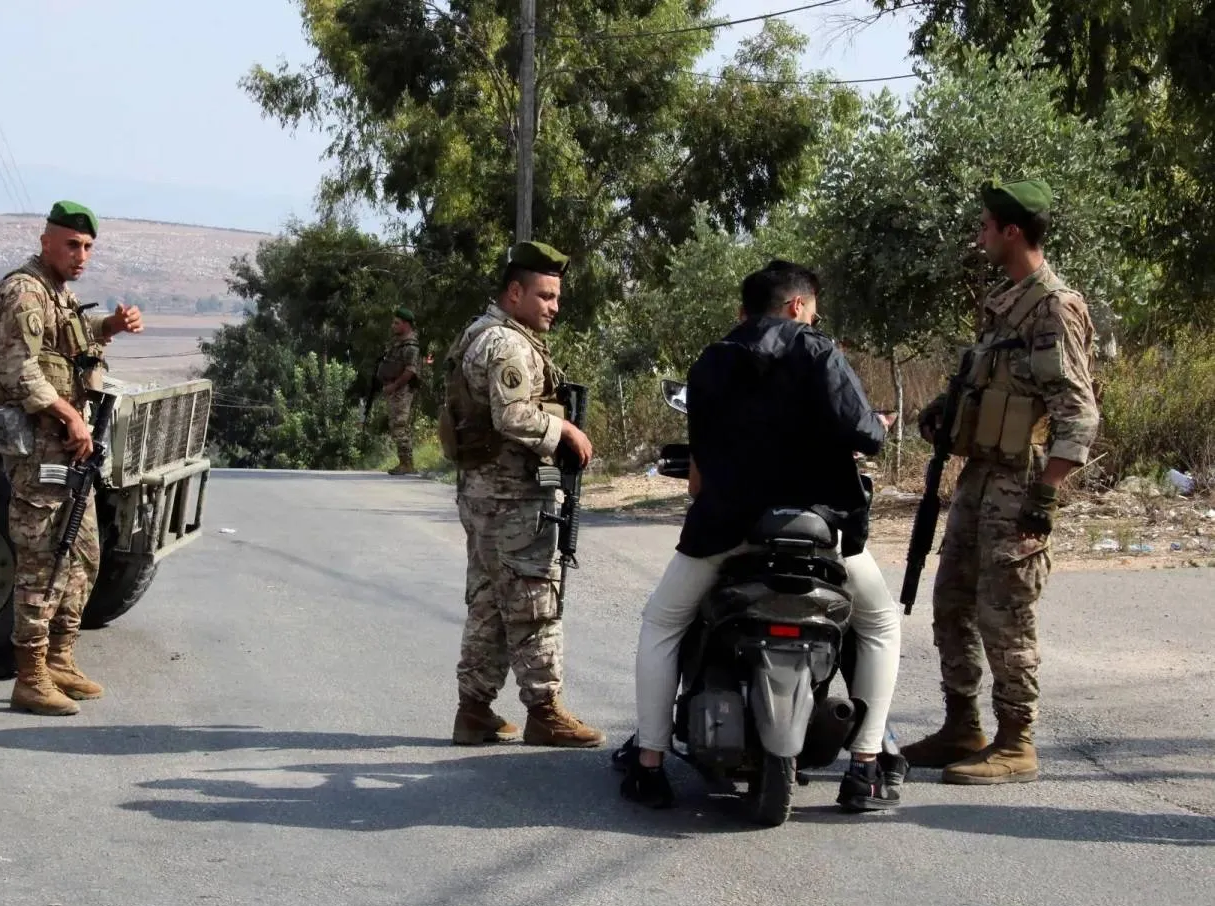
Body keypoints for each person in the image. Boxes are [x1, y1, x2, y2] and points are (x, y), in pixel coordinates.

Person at [617, 261, 904, 813]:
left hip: (729, 528)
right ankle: (865, 768)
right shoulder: (818, 351)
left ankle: (649, 765)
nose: (813, 317)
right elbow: (868, 437)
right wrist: (878, 423)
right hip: (821, 530)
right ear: (797, 305)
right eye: (812, 308)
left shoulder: (712, 361)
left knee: (662, 622)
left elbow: (699, 473)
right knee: (880, 623)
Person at [902, 179, 1100, 784]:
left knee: (1006, 613)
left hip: (1019, 483)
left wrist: (1044, 499)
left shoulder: (1053, 306)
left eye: (987, 225)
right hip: (979, 476)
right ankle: (962, 725)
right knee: (952, 603)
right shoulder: (1005, 302)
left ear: (1013, 231)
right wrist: (946, 411)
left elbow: (1078, 411)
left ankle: (1018, 742)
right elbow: (992, 382)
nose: (980, 234)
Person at [0, 200, 143, 715]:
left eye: (88, 247)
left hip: (70, 451)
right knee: (42, 560)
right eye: (72, 244)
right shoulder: (24, 292)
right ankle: (29, 676)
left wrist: (109, 328)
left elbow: (68, 350)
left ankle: (60, 659)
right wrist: (71, 416)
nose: (81, 255)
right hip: (40, 447)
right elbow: (20, 372)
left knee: (83, 553)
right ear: (46, 240)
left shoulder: (58, 295)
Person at [441, 241, 603, 748]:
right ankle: (544, 710)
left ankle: (474, 711)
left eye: (556, 296)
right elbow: (512, 415)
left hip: (484, 492)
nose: (554, 306)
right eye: (545, 295)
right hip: (511, 498)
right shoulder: (507, 345)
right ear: (515, 293)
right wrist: (567, 435)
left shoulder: (482, 332)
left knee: (490, 601)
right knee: (534, 599)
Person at [377, 306, 422, 475]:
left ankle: (407, 464)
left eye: (397, 323)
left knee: (399, 426)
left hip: (402, 390)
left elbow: (410, 371)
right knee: (396, 425)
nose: (393, 326)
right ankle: (404, 462)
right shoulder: (398, 344)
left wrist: (394, 386)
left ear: (406, 324)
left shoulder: (410, 346)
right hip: (394, 389)